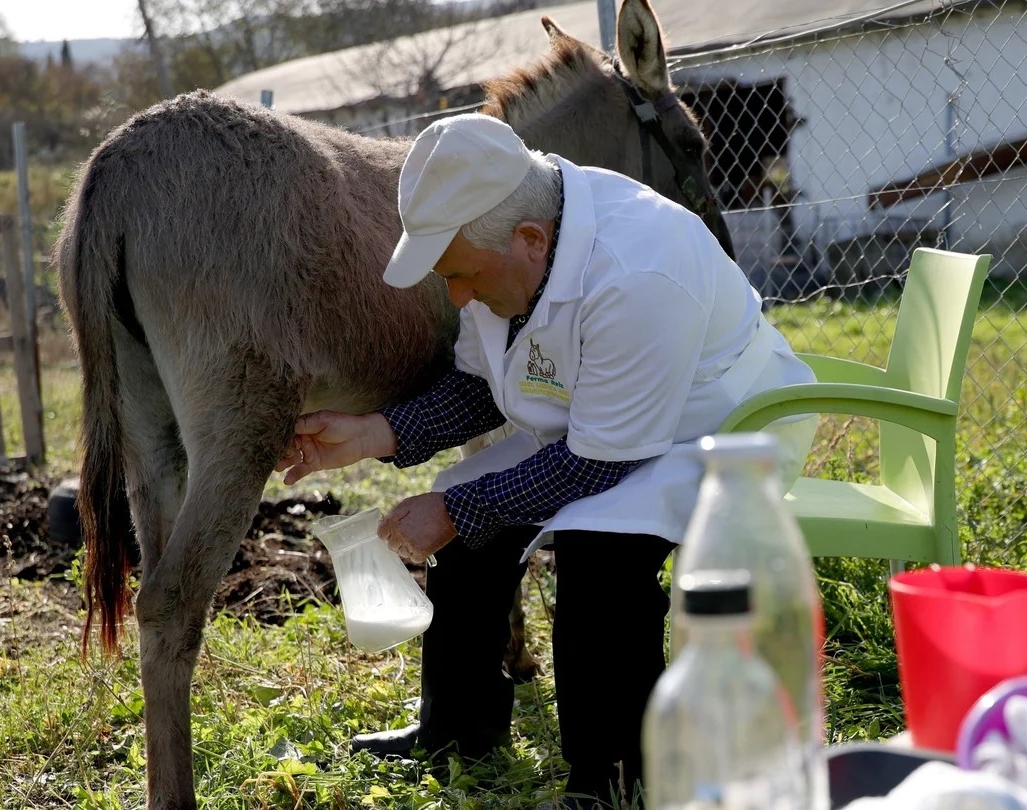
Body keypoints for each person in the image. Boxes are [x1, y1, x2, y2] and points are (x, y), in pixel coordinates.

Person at [273, 113, 817, 808]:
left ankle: (612, 775)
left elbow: (595, 467)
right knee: (469, 509)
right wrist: (373, 433)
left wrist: (456, 511)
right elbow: (480, 386)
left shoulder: (637, 271)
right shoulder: (513, 233)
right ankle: (456, 730)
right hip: (605, 423)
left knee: (601, 549)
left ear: (531, 242)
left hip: (720, 425)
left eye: (464, 277)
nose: (459, 297)